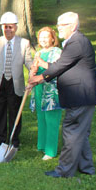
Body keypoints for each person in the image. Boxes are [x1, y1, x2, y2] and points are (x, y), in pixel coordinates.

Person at [29, 12, 96, 178]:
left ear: (73, 26)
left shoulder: (76, 41)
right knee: (81, 133)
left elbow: (60, 66)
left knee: (71, 131)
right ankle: (86, 168)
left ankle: (64, 170)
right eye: (58, 24)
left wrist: (40, 78)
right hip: (82, 95)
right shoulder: (75, 41)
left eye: (63, 25)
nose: (59, 28)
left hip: (80, 95)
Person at [0, 12, 32, 148]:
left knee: (14, 110)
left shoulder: (24, 43)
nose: (8, 30)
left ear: (16, 27)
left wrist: (32, 70)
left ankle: (13, 139)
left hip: (15, 82)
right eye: (5, 27)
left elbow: (28, 61)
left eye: (10, 27)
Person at [29, 27, 62, 160]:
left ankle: (51, 150)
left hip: (51, 91)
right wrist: (32, 72)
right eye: (40, 37)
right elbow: (34, 71)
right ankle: (42, 145)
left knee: (51, 119)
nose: (43, 39)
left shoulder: (58, 52)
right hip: (39, 89)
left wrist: (42, 63)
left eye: (46, 37)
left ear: (53, 38)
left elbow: (57, 69)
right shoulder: (39, 52)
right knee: (41, 118)